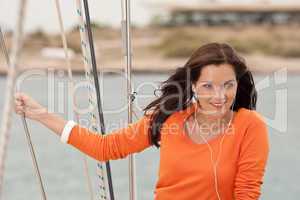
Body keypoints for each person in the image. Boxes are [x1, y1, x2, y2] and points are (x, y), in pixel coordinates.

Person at [14, 43, 269, 200]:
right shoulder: (168, 118)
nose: (219, 96)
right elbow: (104, 148)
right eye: (208, 86)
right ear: (192, 85)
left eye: (228, 85)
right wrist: (40, 114)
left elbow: (246, 193)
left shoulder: (250, 125)